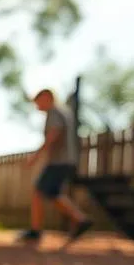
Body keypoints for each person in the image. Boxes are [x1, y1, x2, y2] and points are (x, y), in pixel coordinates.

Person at [19, 88, 92, 245]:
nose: (36, 105)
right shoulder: (64, 112)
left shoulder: (54, 112)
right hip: (67, 160)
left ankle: (36, 231)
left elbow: (54, 134)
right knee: (53, 193)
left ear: (47, 97)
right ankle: (80, 220)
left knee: (38, 191)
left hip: (59, 161)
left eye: (38, 101)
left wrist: (36, 156)